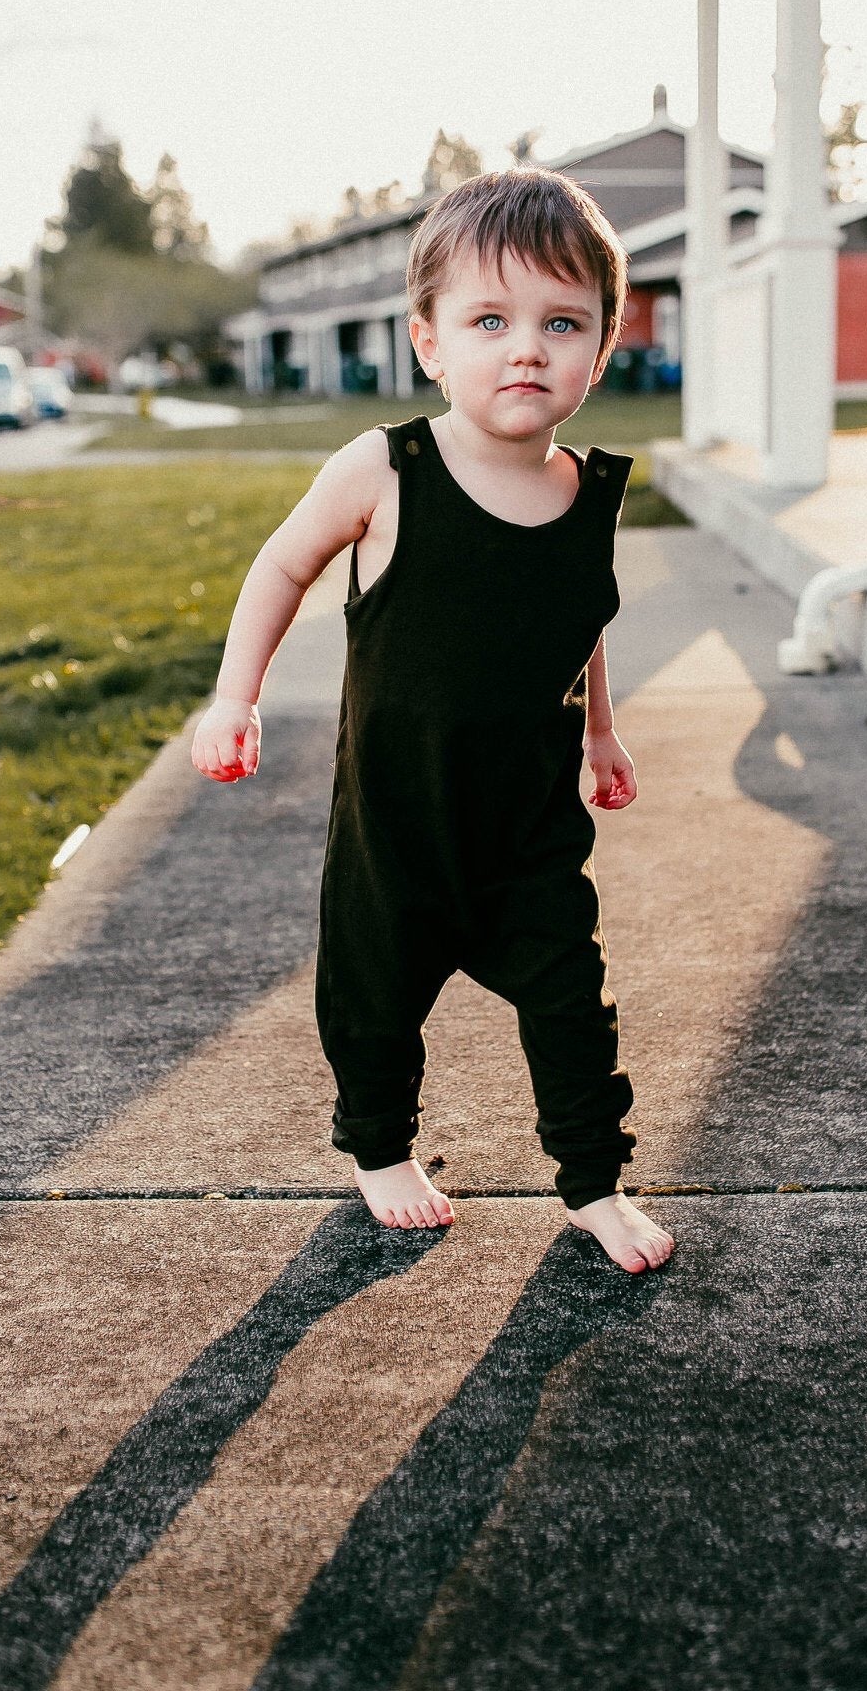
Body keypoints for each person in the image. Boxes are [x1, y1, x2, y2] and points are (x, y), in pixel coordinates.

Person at [191, 168, 674, 1275]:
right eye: (489, 320)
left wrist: (600, 731)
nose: (526, 349)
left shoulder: (587, 494)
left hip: (527, 831)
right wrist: (235, 694)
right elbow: (281, 564)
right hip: (397, 828)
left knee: (573, 1004)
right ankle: (379, 1149)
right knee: (371, 998)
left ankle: (593, 1179)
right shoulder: (389, 467)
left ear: (600, 352)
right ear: (428, 341)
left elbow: (578, 618)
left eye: (562, 324)